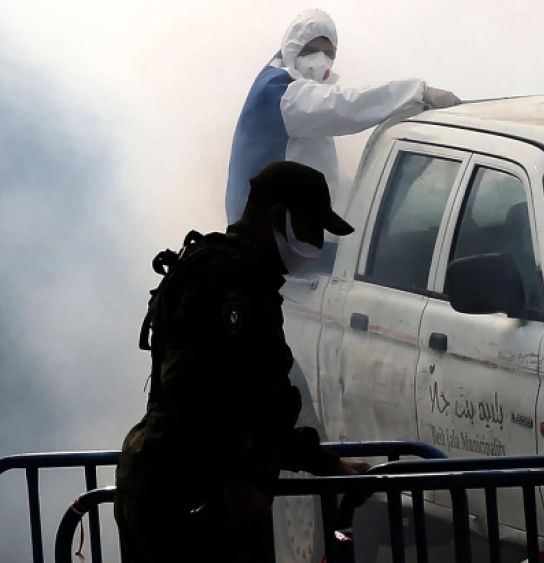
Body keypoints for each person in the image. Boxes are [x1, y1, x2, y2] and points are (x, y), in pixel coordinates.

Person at [115, 161, 370, 562]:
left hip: (193, 490)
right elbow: (192, 387)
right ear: (277, 217)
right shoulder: (226, 276)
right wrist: (234, 484)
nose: (318, 243)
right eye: (312, 227)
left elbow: (256, 408)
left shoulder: (248, 276)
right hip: (184, 497)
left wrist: (327, 464)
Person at [224, 8, 463, 225]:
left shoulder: (288, 85)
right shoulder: (280, 94)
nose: (321, 59)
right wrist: (417, 92)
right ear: (292, 48)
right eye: (312, 50)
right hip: (267, 231)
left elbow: (315, 159)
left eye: (329, 53)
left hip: (282, 224)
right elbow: (347, 106)